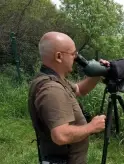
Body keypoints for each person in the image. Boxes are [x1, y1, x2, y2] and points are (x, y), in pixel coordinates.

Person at [28, 31, 108, 164]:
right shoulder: (52, 89)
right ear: (59, 56)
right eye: (73, 54)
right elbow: (61, 135)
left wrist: (97, 73)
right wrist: (92, 127)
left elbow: (80, 89)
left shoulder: (55, 80)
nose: (76, 58)